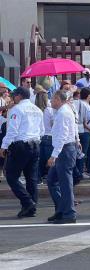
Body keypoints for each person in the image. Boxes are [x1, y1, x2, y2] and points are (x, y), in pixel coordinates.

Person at [0, 87, 44, 218]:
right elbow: (41, 130)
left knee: (11, 175)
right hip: (35, 144)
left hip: (21, 145)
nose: (13, 97)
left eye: (14, 95)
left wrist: (4, 146)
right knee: (31, 178)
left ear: (19, 96)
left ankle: (28, 202)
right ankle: (31, 207)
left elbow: (12, 131)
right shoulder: (37, 109)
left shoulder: (17, 109)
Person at [47, 90, 79, 224]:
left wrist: (54, 155)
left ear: (59, 99)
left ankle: (69, 213)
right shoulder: (63, 111)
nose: (51, 101)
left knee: (65, 184)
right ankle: (61, 209)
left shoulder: (63, 113)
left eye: (53, 99)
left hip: (64, 150)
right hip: (65, 149)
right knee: (52, 180)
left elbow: (63, 135)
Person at [75, 87, 90, 179]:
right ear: (87, 94)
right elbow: (83, 121)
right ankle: (80, 171)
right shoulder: (82, 104)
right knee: (83, 153)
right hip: (86, 132)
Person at [35, 86, 54, 184]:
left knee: (39, 159)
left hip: (38, 136)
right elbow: (53, 123)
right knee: (49, 159)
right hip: (49, 136)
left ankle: (38, 178)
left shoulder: (34, 110)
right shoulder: (50, 110)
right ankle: (49, 178)